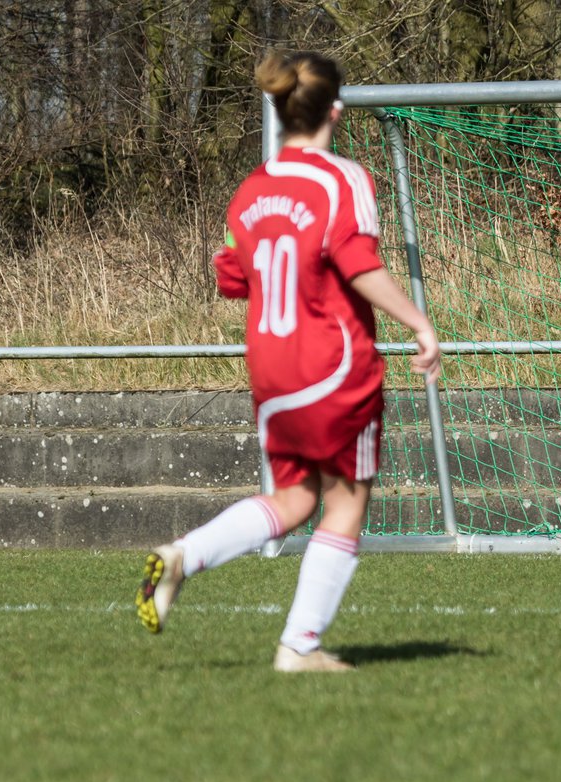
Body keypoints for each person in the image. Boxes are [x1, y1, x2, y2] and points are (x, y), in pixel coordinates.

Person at [134, 50, 442, 672]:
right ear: (336, 109)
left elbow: (230, 276)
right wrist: (419, 322)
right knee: (348, 500)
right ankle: (299, 647)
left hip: (271, 370)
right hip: (331, 363)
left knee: (297, 498)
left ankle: (181, 556)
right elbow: (357, 263)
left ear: (279, 109)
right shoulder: (342, 178)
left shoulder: (251, 189)